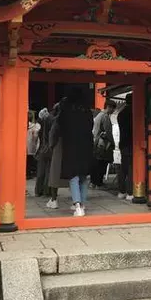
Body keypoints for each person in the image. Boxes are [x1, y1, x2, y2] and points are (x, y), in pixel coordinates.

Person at [58, 88, 94, 217]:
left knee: (73, 176)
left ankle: (77, 205)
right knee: (83, 176)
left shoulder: (66, 111)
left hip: (71, 146)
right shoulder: (87, 112)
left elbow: (60, 127)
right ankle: (82, 204)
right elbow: (91, 127)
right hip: (86, 146)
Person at [91, 99, 117, 189]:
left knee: (96, 164)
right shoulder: (105, 116)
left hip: (96, 142)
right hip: (102, 144)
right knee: (102, 164)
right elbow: (108, 131)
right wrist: (113, 142)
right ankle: (99, 183)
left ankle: (94, 182)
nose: (113, 111)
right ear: (108, 107)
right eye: (113, 108)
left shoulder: (98, 115)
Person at [46, 102, 65, 209]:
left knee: (54, 173)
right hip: (68, 147)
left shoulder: (56, 120)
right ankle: (76, 201)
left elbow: (52, 135)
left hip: (58, 147)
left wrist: (51, 146)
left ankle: (54, 199)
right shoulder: (69, 121)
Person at [117, 94, 133, 201]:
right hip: (132, 142)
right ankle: (130, 191)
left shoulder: (121, 113)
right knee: (131, 167)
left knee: (124, 167)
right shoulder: (133, 112)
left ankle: (121, 190)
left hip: (123, 142)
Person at [34, 108, 53, 198]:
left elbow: (35, 136)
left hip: (42, 148)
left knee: (41, 170)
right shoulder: (52, 121)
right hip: (50, 148)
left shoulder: (39, 123)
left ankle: (38, 191)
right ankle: (47, 191)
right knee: (48, 170)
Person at [26, 112, 40, 179]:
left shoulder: (22, 125)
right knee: (30, 160)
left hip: (24, 146)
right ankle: (28, 174)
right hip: (31, 146)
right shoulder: (34, 126)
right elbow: (35, 137)